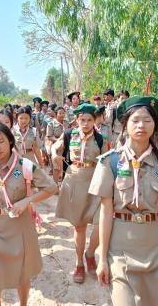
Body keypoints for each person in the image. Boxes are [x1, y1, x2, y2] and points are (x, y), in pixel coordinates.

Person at [91, 96, 158, 305]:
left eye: (148, 120)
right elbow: (105, 213)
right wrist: (102, 258)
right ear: (125, 124)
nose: (141, 125)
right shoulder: (109, 162)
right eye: (136, 120)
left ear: (155, 126)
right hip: (120, 249)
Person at [0, 122, 57, 306]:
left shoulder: (25, 166)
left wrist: (27, 201)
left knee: (22, 275)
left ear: (10, 141)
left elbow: (51, 187)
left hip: (20, 227)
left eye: (1, 141)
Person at [52, 103, 108, 283]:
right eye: (82, 120)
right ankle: (79, 264)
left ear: (95, 120)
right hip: (74, 181)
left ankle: (90, 253)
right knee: (80, 225)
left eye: (89, 120)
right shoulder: (69, 134)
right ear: (77, 120)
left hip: (95, 182)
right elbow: (56, 147)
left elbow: (107, 161)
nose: (85, 123)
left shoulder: (100, 139)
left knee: (102, 223)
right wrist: (54, 153)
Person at [45, 106, 67, 182]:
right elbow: (49, 136)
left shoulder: (66, 122)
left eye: (63, 113)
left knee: (65, 165)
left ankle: (63, 183)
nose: (62, 115)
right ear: (56, 114)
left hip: (66, 147)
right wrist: (59, 141)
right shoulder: (51, 124)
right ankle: (55, 184)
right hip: (56, 147)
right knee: (56, 167)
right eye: (60, 113)